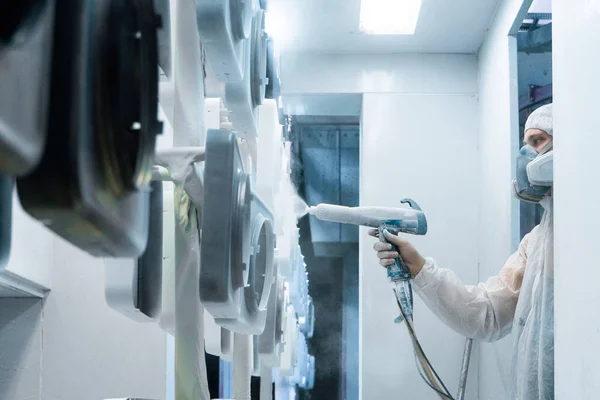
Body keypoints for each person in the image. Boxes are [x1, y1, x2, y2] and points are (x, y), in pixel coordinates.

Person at [370, 104, 554, 400]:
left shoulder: (585, 234)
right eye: (525, 144)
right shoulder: (536, 243)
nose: (526, 156)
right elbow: (487, 314)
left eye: (537, 141)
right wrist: (416, 265)